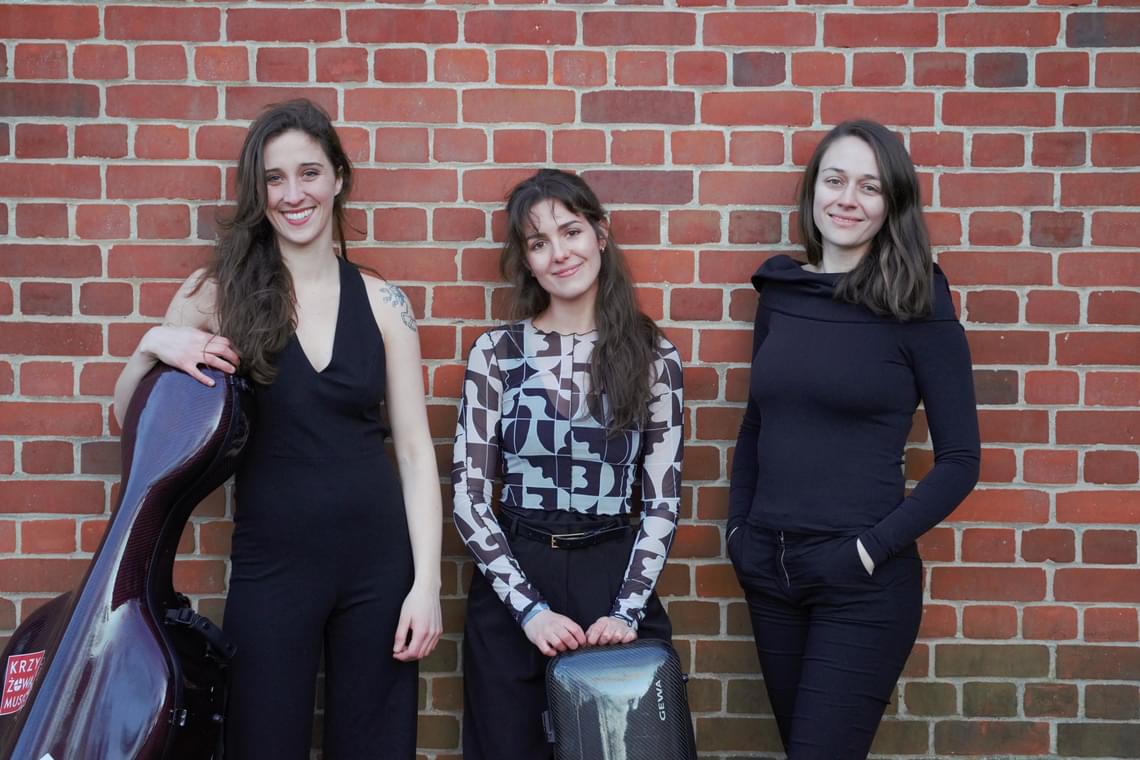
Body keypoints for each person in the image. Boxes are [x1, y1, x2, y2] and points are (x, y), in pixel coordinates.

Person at [111, 99, 442, 760]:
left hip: (379, 564)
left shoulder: (383, 301)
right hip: (272, 564)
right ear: (257, 192)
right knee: (262, 743)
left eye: (309, 173)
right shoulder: (217, 292)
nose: (294, 194)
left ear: (339, 179)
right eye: (275, 179)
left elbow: (413, 450)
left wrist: (426, 584)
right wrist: (154, 344)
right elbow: (129, 418)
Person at [728, 120, 980, 758]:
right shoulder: (782, 292)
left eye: (869, 187)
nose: (848, 199)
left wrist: (866, 551)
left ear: (893, 202)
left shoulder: (919, 301)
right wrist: (740, 533)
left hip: (859, 581)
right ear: (813, 190)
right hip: (770, 571)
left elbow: (959, 461)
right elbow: (758, 421)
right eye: (835, 180)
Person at [451, 168, 685, 759]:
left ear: (600, 236)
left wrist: (627, 609)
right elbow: (469, 499)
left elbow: (662, 502)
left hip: (614, 576)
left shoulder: (654, 355)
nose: (559, 253)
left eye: (571, 232)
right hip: (516, 580)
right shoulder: (496, 355)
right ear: (526, 261)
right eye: (538, 243)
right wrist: (529, 611)